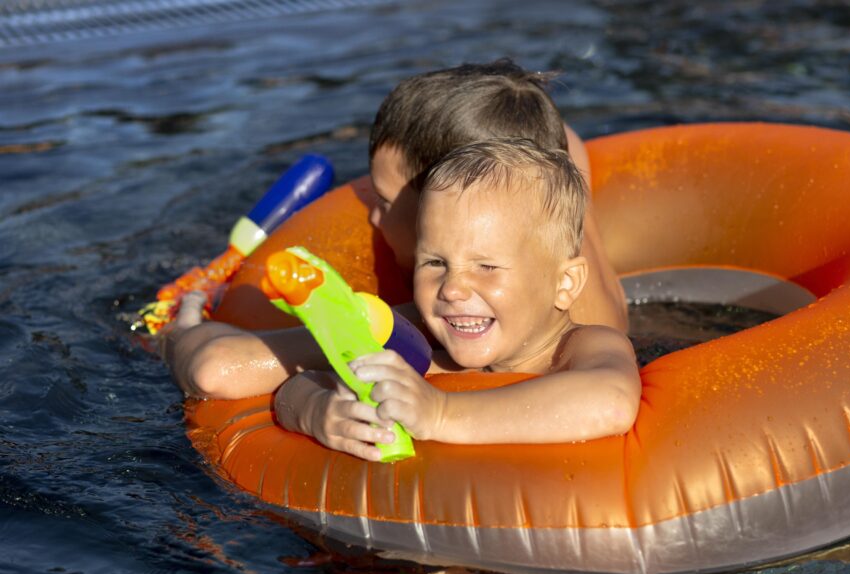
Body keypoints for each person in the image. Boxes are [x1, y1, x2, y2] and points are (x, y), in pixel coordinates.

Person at [161, 59, 627, 400]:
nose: (372, 216)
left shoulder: (426, 328)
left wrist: (181, 331)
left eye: (386, 202)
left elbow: (215, 370)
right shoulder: (562, 185)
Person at [273, 138, 640, 459]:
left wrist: (440, 413)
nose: (452, 288)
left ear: (565, 283)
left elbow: (612, 401)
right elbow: (297, 385)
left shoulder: (583, 347)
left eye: (486, 266)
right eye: (434, 262)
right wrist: (317, 411)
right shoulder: (431, 361)